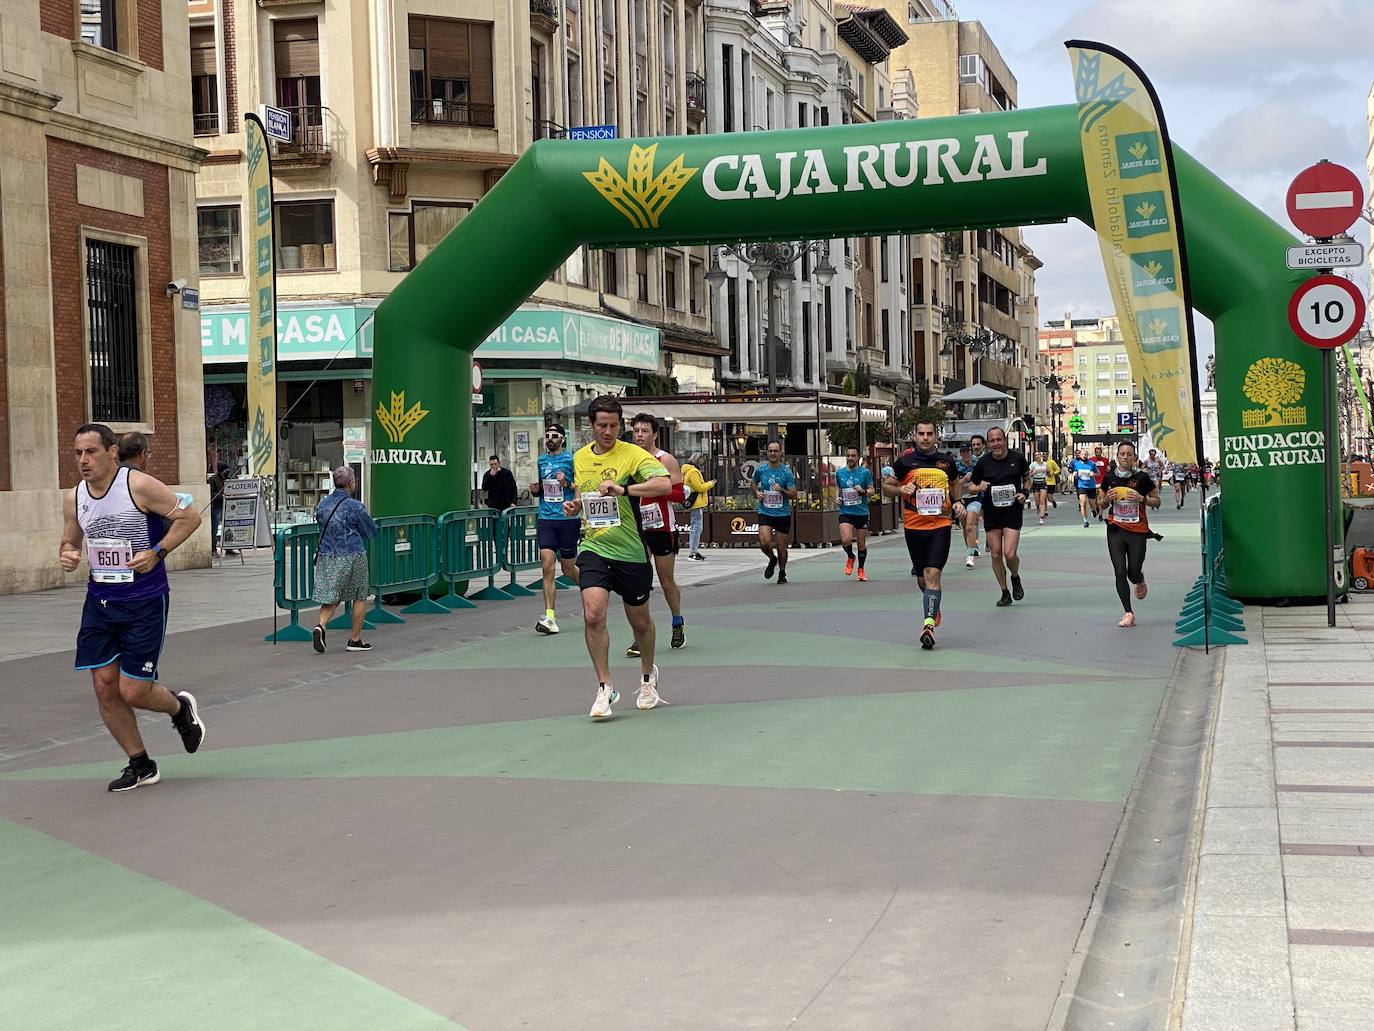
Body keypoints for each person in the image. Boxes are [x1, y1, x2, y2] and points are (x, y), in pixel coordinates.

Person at [60, 423, 206, 792]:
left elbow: (189, 517)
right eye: (77, 453)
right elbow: (71, 536)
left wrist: (158, 552)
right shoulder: (74, 496)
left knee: (133, 691)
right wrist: (68, 552)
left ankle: (179, 708)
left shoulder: (137, 485)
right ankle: (140, 763)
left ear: (112, 452)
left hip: (143, 601)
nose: (83, 461)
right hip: (99, 601)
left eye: (91, 452)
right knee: (104, 686)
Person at [563, 395, 670, 718]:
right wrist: (576, 505)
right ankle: (604, 687)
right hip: (595, 546)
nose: (607, 432)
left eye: (613, 426)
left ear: (620, 425)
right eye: (601, 426)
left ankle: (648, 677)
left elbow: (664, 484)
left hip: (631, 550)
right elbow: (584, 492)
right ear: (591, 426)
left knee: (639, 621)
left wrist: (625, 490)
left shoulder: (633, 455)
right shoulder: (580, 457)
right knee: (593, 614)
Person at [885, 419, 963, 650]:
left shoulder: (947, 461)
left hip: (940, 526)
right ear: (915, 436)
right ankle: (933, 604)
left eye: (930, 433)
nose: (926, 438)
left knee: (932, 574)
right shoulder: (905, 462)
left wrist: (957, 502)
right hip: (914, 527)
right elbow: (887, 487)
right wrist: (901, 489)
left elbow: (955, 482)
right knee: (923, 579)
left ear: (935, 436)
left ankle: (928, 625)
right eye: (922, 434)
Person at [630, 413, 688, 650]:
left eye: (644, 431)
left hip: (662, 526)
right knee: (638, 581)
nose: (640, 435)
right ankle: (640, 635)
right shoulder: (628, 459)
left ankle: (677, 621)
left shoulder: (665, 460)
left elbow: (680, 494)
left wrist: (654, 489)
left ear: (654, 434)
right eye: (636, 431)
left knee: (665, 580)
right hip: (636, 527)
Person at [311, 466, 378, 654]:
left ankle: (321, 625)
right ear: (351, 483)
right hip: (352, 554)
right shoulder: (355, 506)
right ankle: (355, 640)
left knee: (332, 597)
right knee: (359, 596)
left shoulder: (323, 505)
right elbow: (370, 531)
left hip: (327, 555)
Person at [1097, 441, 1161, 628]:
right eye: (1122, 454)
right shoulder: (1109, 478)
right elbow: (1100, 504)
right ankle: (1128, 613)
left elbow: (1157, 501)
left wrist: (1142, 499)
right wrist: (1105, 500)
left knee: (1133, 572)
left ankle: (1139, 579)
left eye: (1129, 454)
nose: (1125, 457)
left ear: (1134, 457)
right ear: (1117, 456)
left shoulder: (1142, 478)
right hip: (1116, 529)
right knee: (1119, 571)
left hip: (1137, 530)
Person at [969, 427, 1031, 606]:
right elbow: (971, 487)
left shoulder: (1017, 458)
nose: (996, 443)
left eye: (999, 440)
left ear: (1005, 440)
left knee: (1009, 554)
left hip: (1012, 511)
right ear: (988, 444)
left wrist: (1024, 493)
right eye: (992, 441)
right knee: (996, 554)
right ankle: (1004, 592)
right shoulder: (983, 463)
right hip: (992, 512)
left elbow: (1027, 478)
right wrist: (979, 486)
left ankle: (1015, 576)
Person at [530, 423, 580, 635]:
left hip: (567, 518)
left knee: (568, 569)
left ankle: (592, 589)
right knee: (547, 564)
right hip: (546, 517)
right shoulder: (541, 460)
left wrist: (565, 483)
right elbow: (542, 488)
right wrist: (536, 490)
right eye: (548, 436)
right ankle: (549, 616)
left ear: (563, 439)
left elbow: (578, 486)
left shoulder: (571, 459)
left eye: (555, 436)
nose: (550, 439)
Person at [753, 440, 798, 584]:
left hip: (782, 513)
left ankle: (782, 572)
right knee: (764, 541)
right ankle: (772, 559)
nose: (773, 453)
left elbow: (793, 494)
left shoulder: (786, 472)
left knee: (780, 545)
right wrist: (756, 492)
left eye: (775, 451)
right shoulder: (761, 470)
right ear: (767, 453)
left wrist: (782, 490)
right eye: (770, 451)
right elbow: (753, 483)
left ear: (780, 453)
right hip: (765, 510)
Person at [836, 446, 875, 581]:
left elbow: (872, 490)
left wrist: (863, 490)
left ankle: (861, 569)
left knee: (861, 543)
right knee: (846, 539)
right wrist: (837, 498)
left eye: (853, 456)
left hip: (861, 512)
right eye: (848, 456)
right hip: (845, 511)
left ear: (858, 457)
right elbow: (838, 490)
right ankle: (851, 556)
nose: (850, 458)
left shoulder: (864, 473)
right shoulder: (840, 473)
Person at [958, 433, 988, 568]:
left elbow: (984, 480)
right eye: (963, 451)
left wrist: (977, 486)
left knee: (970, 525)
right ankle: (970, 548)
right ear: (960, 453)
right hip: (961, 500)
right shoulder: (956, 466)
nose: (966, 454)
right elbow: (952, 484)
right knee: (966, 527)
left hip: (975, 499)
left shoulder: (978, 464)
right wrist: (963, 480)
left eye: (968, 451)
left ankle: (969, 557)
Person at [681, 452, 715, 561]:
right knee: (696, 528)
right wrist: (710, 484)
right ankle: (693, 553)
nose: (703, 463)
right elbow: (699, 488)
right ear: (698, 460)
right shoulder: (693, 472)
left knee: (696, 527)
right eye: (702, 461)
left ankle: (694, 551)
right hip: (697, 503)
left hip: (695, 502)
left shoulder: (688, 471)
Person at [1071, 450, 1098, 527]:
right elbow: (1074, 472)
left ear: (1087, 455)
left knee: (1092, 504)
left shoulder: (1092, 464)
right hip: (1081, 485)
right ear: (1080, 455)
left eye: (1085, 454)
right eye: (1082, 454)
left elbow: (1098, 473)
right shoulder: (1077, 464)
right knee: (1083, 503)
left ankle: (1093, 510)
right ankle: (1085, 521)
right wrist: (1075, 474)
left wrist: (1093, 474)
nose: (1084, 456)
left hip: (1091, 486)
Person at [207, 462, 227, 555]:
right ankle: (213, 548)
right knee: (215, 528)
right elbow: (210, 494)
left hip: (227, 505)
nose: (227, 473)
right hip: (217, 505)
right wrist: (221, 495)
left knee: (228, 526)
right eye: (225, 471)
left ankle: (229, 547)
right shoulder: (213, 479)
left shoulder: (228, 479)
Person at [1029, 450, 1052, 524]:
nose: (1037, 456)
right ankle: (1038, 508)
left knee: (1042, 500)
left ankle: (1041, 517)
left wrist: (1048, 471)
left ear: (1041, 456)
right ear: (1034, 457)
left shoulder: (1045, 464)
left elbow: (1049, 474)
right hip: (1035, 483)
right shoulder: (1032, 465)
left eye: (1038, 454)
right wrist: (1034, 472)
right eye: (1035, 455)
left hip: (1043, 482)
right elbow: (1028, 475)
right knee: (1037, 502)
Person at [1089, 446, 1110, 518]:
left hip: (1102, 482)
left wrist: (1108, 469)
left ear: (1101, 452)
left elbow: (1108, 469)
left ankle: (1100, 514)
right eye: (1096, 452)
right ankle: (1096, 508)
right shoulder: (1091, 460)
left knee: (1101, 498)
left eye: (1099, 452)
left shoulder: (1105, 460)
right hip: (1093, 482)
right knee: (1094, 499)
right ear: (1095, 452)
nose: (1098, 453)